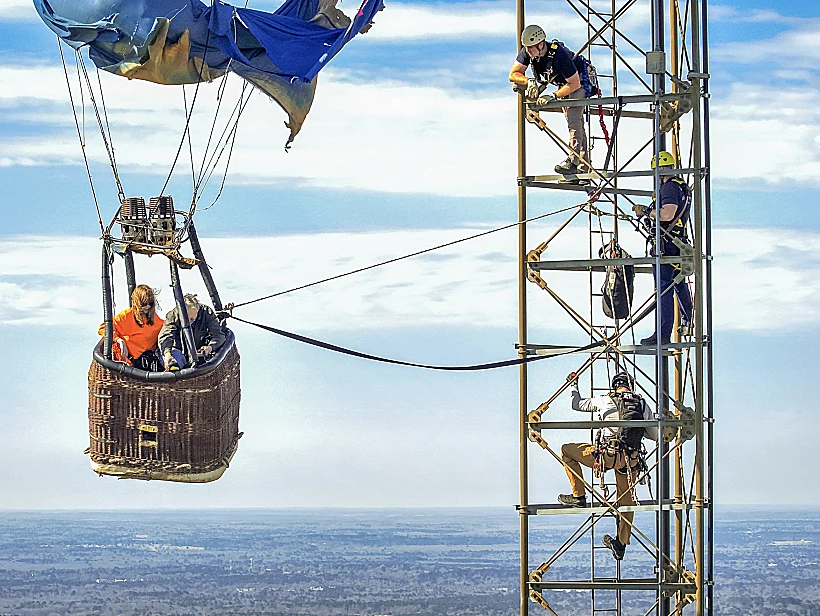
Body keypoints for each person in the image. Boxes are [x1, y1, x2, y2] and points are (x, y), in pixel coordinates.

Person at [558, 371, 658, 560]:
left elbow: (576, 404)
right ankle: (621, 543)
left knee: (566, 450)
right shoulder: (642, 404)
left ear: (614, 386)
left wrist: (573, 385)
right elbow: (654, 435)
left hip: (606, 456)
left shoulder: (604, 400)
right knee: (626, 502)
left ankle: (578, 495)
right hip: (630, 461)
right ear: (631, 385)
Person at [509, 24, 590, 177]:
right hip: (562, 83)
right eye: (526, 48)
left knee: (573, 119)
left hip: (578, 81)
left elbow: (574, 83)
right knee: (576, 122)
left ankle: (573, 162)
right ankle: (583, 167)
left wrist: (553, 96)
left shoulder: (559, 55)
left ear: (540, 44)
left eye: (531, 48)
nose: (528, 52)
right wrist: (528, 81)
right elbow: (513, 74)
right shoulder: (529, 51)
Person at [632, 151, 693, 345]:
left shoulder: (669, 187)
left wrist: (648, 211)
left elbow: (667, 214)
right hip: (676, 242)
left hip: (668, 245)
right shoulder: (682, 187)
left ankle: (663, 333)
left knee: (665, 288)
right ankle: (688, 318)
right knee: (678, 283)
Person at [98, 284, 163, 371]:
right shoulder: (126, 315)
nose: (147, 306)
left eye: (150, 303)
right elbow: (103, 328)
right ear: (137, 301)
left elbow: (167, 328)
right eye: (144, 303)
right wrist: (118, 340)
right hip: (129, 366)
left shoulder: (155, 319)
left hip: (149, 364)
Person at [158, 294, 225, 371]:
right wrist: (167, 354)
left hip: (199, 354)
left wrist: (210, 348)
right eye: (186, 320)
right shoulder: (172, 316)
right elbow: (165, 335)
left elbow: (218, 335)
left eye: (192, 319)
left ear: (197, 311)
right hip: (179, 353)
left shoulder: (206, 313)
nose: (189, 323)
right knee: (173, 361)